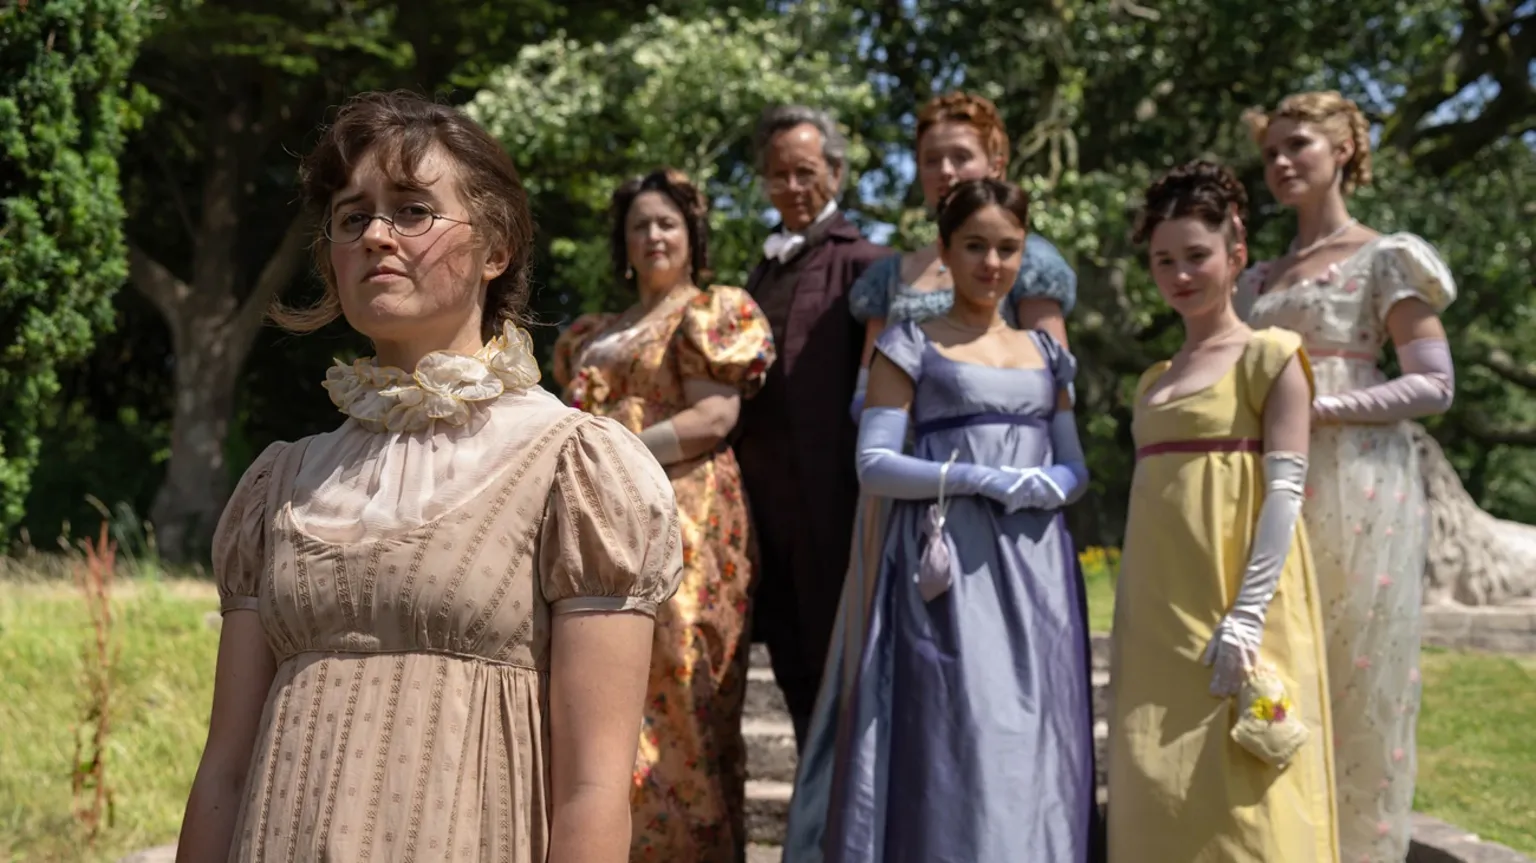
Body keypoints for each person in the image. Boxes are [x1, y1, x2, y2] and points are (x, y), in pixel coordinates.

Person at [174, 91, 683, 863]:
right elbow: (226, 771)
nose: (376, 234)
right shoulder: (277, 484)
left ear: (494, 248)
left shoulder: (575, 469)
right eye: (352, 217)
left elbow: (593, 788)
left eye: (413, 211)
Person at [786, 90, 1086, 862]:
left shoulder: (1038, 329)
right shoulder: (904, 312)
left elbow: (1061, 430)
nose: (992, 262)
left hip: (1030, 548)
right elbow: (873, 433)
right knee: (940, 705)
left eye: (1006, 249)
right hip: (932, 525)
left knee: (1029, 712)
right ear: (948, 249)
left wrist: (1049, 482)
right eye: (931, 158)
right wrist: (968, 463)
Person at [1235, 90, 1457, 863]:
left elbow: (1435, 383)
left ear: (1344, 151)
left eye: (1297, 144)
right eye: (1271, 151)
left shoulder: (1384, 257)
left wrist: (1320, 406)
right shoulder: (1257, 277)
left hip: (1358, 482)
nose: (1281, 161)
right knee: (1273, 660)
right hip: (1267, 479)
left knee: (1353, 667)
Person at [1108, 161, 1338, 861]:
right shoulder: (1152, 382)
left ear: (1235, 253)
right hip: (1155, 614)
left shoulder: (1272, 357)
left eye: (1196, 255)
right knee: (1156, 782)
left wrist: (1248, 613)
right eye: (1164, 260)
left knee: (1248, 791)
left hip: (1238, 601)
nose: (1180, 274)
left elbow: (1286, 492)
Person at [552, 168, 775, 863]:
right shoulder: (595, 331)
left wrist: (617, 450)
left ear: (692, 235)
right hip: (601, 519)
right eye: (639, 225)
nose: (653, 235)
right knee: (601, 693)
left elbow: (714, 417)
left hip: (686, 518)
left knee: (680, 692)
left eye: (667, 223)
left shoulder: (710, 311)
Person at [735, 104, 888, 747]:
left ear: (837, 172)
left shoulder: (868, 264)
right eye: (778, 175)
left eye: (805, 172)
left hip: (837, 505)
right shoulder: (761, 271)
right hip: (768, 506)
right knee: (794, 667)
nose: (792, 187)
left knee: (844, 670)